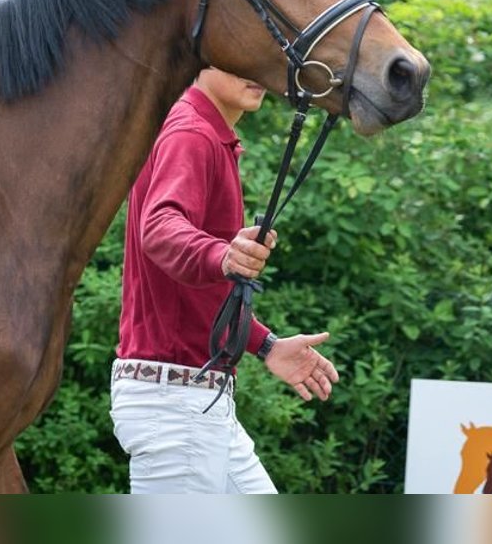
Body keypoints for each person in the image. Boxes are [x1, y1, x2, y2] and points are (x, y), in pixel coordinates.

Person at [110, 67, 340, 493]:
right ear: (198, 61)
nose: (256, 72)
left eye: (258, 61)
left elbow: (195, 294)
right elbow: (159, 228)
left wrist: (266, 344)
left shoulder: (204, 134)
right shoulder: (192, 133)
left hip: (195, 399)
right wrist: (224, 254)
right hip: (176, 405)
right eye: (234, 62)